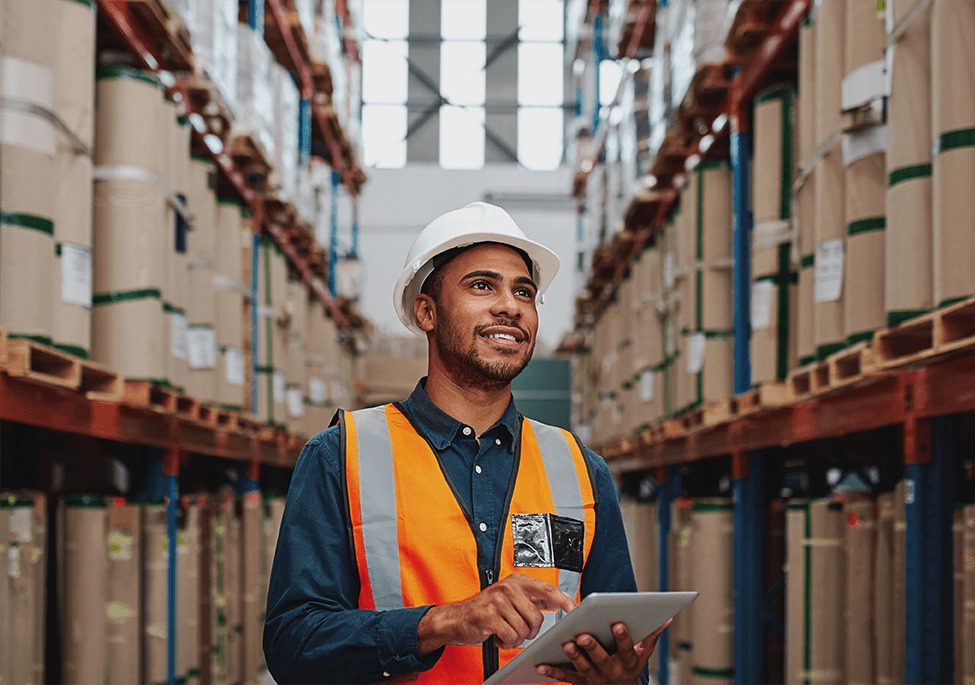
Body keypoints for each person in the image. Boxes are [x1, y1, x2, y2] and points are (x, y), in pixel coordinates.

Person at [264, 202, 666, 684]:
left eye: (524, 292)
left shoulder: (580, 469)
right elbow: (294, 643)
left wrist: (620, 676)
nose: (510, 306)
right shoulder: (342, 455)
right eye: (482, 285)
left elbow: (618, 644)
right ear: (427, 311)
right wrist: (440, 623)